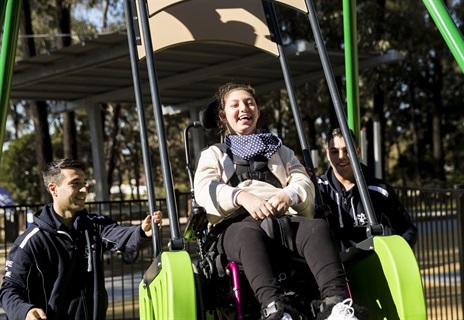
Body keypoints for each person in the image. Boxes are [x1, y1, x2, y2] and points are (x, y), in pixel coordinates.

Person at [194, 83, 367, 320]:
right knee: (248, 233)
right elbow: (205, 189)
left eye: (249, 103)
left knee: (318, 228)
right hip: (235, 226)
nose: (244, 108)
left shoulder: (281, 151)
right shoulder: (213, 154)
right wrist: (242, 197)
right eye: (235, 105)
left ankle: (337, 307)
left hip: (280, 219)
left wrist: (287, 195)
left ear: (257, 110)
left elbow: (302, 181)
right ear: (224, 116)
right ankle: (275, 310)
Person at [0, 159, 163, 320]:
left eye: (85, 183)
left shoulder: (94, 225)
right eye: (75, 183)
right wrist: (25, 312)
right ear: (53, 189)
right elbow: (9, 289)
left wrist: (142, 232)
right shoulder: (31, 241)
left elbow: (119, 236)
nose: (84, 189)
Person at [317, 127, 418, 251]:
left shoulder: (379, 190)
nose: (341, 156)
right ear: (327, 154)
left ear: (358, 152)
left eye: (346, 150)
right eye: (334, 151)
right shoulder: (317, 189)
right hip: (332, 268)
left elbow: (407, 228)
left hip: (370, 266)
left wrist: (397, 250)